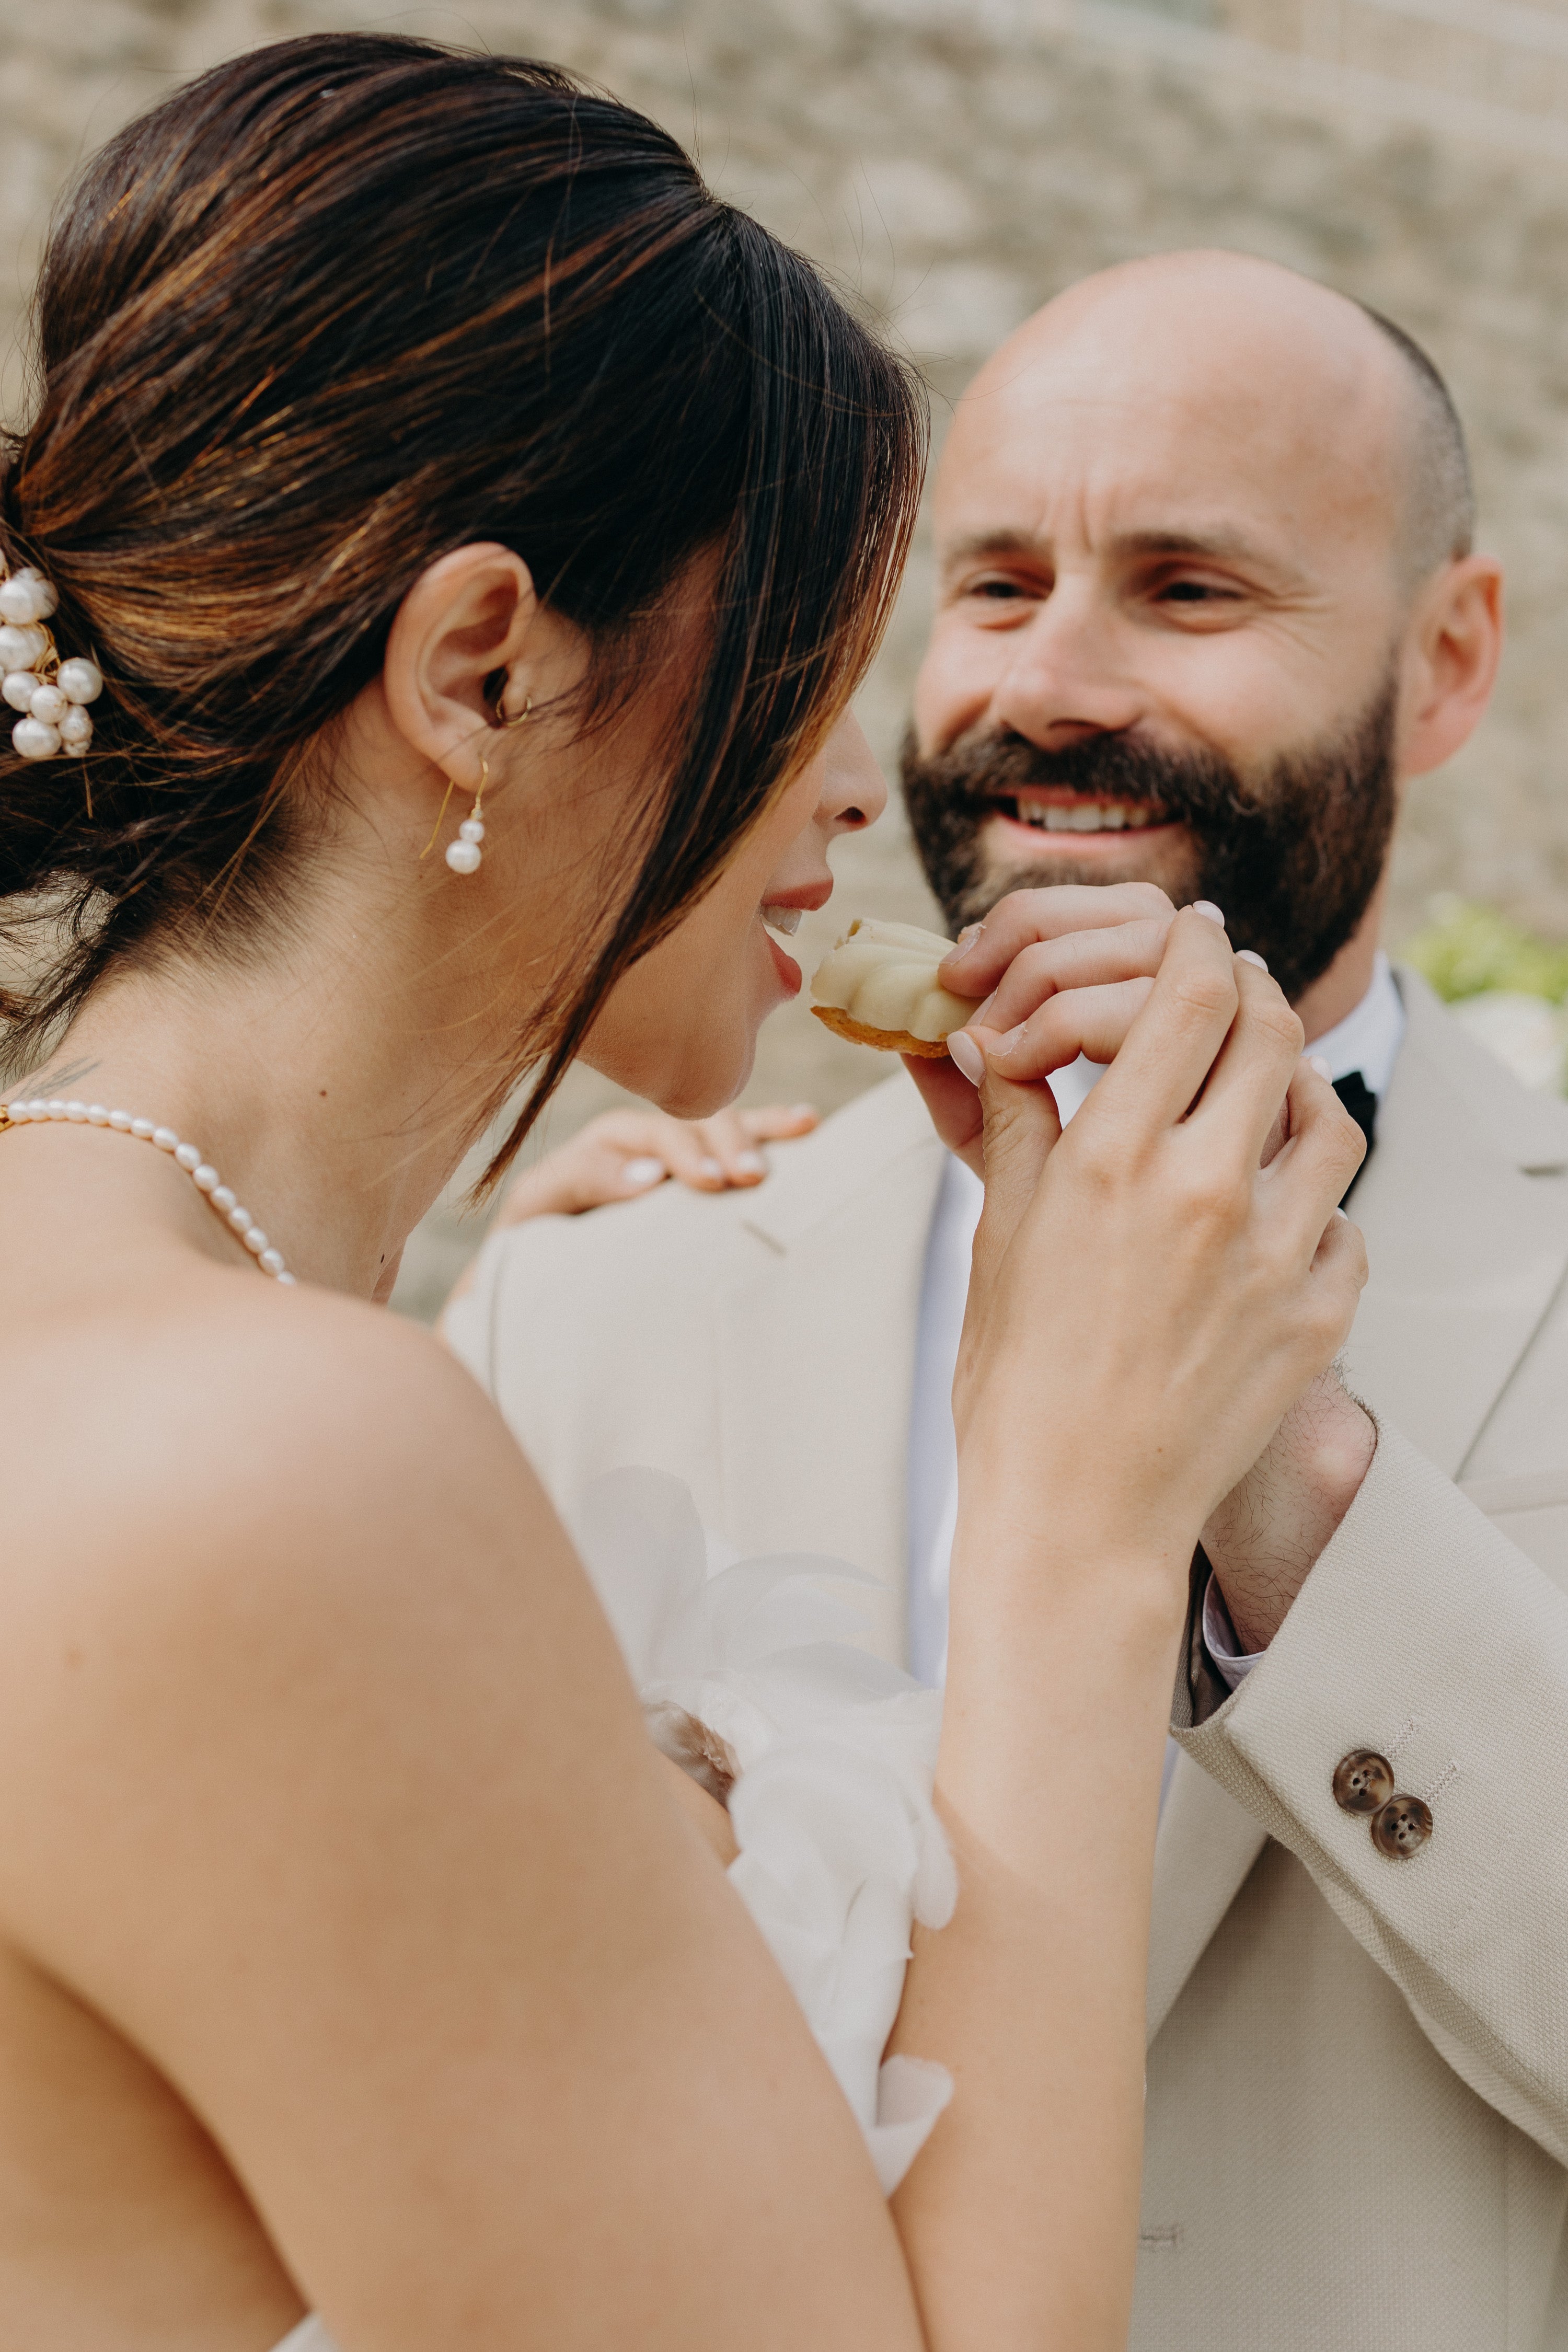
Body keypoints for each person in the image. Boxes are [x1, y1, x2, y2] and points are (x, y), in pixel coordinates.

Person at [0, 49, 1365, 2352]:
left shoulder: (169, 1335)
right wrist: (1080, 1505)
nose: (854, 791)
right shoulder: (265, 1458)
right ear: (485, 670)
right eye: (805, 650)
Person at [449, 252, 1568, 2349]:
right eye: (993, 584)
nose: (1050, 684)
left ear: (1447, 660)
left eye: (1189, 588)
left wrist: (1299, 1491)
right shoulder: (587, 1298)